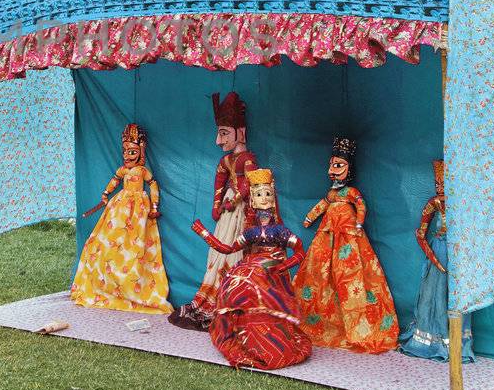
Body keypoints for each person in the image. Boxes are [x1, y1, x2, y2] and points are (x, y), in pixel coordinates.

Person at [190, 167, 313, 370]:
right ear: (253, 201)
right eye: (258, 194)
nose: (263, 199)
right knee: (233, 278)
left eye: (267, 194)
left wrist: (284, 265)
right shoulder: (252, 232)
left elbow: (300, 252)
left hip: (271, 267)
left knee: (250, 275)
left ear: (273, 197)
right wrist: (204, 233)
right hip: (253, 265)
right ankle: (245, 335)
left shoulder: (280, 231)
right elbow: (227, 249)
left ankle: (268, 339)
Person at [296, 136, 399, 354]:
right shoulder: (332, 194)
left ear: (349, 169)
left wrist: (359, 221)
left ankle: (358, 324)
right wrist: (309, 218)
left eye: (338, 166)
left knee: (352, 272)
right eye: (331, 166)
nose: (332, 171)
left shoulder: (351, 193)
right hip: (326, 236)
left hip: (349, 235)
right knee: (320, 272)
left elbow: (361, 205)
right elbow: (322, 205)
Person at [170, 92, 258, 330]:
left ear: (240, 132)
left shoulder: (248, 160)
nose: (219, 141)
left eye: (224, 133)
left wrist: (233, 200)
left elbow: (250, 185)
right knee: (220, 251)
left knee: (236, 250)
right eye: (219, 133)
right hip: (228, 212)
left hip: (241, 213)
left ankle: (235, 297)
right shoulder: (227, 161)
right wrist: (216, 204)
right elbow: (219, 181)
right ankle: (214, 292)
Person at [70, 122, 172, 313]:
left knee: (137, 243)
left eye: (132, 151)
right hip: (120, 205)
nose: (127, 155)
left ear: (141, 152)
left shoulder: (142, 171)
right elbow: (114, 180)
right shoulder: (123, 170)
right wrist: (105, 193)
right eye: (125, 151)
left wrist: (155, 205)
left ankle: (132, 283)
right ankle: (106, 281)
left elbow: (153, 184)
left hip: (140, 208)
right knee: (108, 239)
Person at [398, 160, 473, 362]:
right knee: (434, 295)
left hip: (458, 252)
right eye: (437, 184)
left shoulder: (462, 202)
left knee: (456, 295)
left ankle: (457, 343)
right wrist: (431, 254)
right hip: (439, 251)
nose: (440, 188)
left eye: (444, 184)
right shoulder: (434, 203)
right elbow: (420, 234)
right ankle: (434, 340)